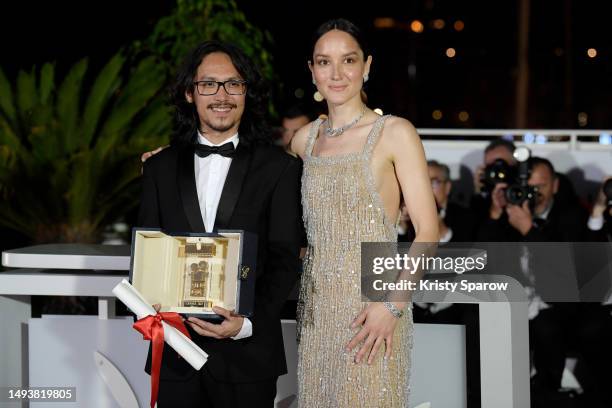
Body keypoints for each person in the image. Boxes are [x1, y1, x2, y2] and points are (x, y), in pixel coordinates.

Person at [137, 40, 303, 407]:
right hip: (176, 355)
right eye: (208, 84)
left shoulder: (280, 168)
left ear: (246, 92)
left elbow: (285, 258)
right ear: (189, 93)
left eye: (234, 84)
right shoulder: (159, 169)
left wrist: (246, 323)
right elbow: (148, 250)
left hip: (248, 359)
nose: (222, 95)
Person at [290, 19, 438, 407]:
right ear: (312, 71)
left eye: (348, 60)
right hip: (317, 313)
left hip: (374, 310)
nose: (336, 73)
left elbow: (428, 231)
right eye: (324, 62)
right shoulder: (303, 140)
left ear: (367, 66)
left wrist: (392, 307)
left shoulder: (394, 132)